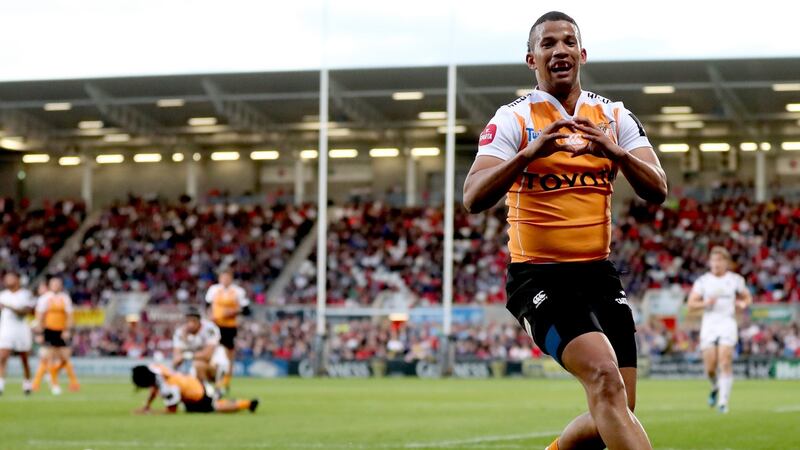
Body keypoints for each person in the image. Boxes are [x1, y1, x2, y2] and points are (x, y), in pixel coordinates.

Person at [463, 11, 667, 450]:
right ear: (531, 59)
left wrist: (617, 153)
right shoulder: (514, 119)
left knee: (617, 405)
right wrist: (527, 155)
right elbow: (473, 196)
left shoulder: (613, 114)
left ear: (583, 54)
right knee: (604, 380)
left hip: (598, 274)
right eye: (548, 43)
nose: (560, 50)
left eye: (569, 42)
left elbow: (658, 188)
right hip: (540, 277)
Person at [687, 246, 751, 413]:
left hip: (727, 323)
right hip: (709, 324)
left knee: (725, 360)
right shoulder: (703, 281)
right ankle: (715, 386)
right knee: (710, 367)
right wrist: (705, 303)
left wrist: (743, 303)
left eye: (719, 260)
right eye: (713, 260)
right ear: (709, 263)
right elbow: (691, 304)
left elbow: (747, 296)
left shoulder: (735, 280)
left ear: (726, 263)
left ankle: (723, 402)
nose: (716, 264)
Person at [131, 364, 258, 414]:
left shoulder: (168, 388)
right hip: (193, 384)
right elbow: (154, 388)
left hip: (198, 396)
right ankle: (244, 402)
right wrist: (147, 405)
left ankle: (247, 404)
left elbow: (171, 411)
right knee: (214, 404)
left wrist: (151, 412)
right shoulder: (157, 369)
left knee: (216, 407)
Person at [31, 276, 79, 394]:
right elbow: (40, 317)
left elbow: (70, 316)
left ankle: (72, 382)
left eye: (58, 283)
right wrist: (40, 332)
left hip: (62, 331)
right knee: (49, 358)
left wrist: (68, 330)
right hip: (49, 330)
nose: (56, 286)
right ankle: (52, 384)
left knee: (64, 358)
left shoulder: (65, 298)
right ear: (50, 285)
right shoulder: (45, 298)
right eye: (54, 284)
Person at [205, 269, 248, 390]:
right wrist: (209, 316)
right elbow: (207, 305)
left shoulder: (238, 291)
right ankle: (212, 377)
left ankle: (226, 380)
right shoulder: (213, 290)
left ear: (231, 278)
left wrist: (232, 312)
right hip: (214, 326)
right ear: (220, 279)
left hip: (229, 327)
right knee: (212, 351)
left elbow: (246, 309)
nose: (225, 280)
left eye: (227, 278)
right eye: (223, 278)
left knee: (229, 354)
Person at [172, 308, 229, 387]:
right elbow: (176, 358)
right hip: (193, 363)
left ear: (199, 321)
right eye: (188, 321)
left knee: (197, 365)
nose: (190, 324)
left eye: (193, 321)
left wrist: (186, 355)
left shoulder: (210, 329)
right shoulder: (180, 332)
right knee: (178, 372)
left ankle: (213, 388)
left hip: (215, 363)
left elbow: (207, 355)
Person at [0, 271, 36, 395]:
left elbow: (24, 312)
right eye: (6, 278)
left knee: (24, 358)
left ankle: (27, 383)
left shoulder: (26, 294)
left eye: (10, 278)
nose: (7, 281)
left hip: (21, 329)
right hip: (6, 329)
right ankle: (1, 384)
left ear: (17, 279)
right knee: (2, 357)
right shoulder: (2, 295)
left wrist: (8, 307)